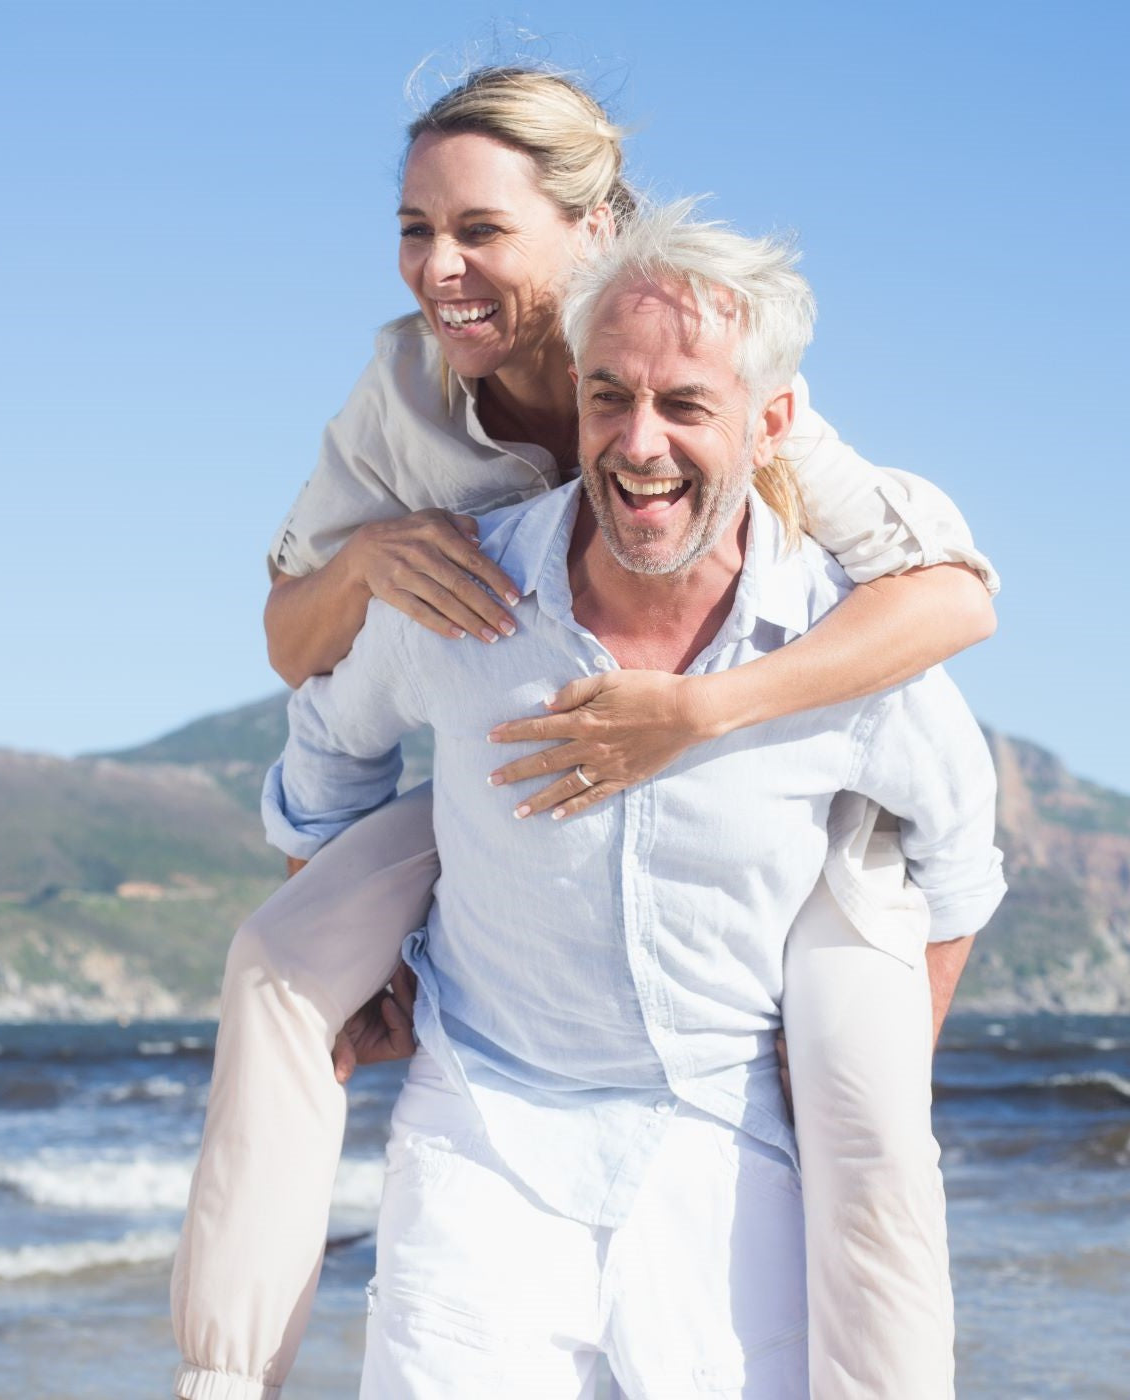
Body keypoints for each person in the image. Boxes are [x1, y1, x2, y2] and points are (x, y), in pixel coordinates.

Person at [172, 68, 1000, 1400]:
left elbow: (955, 613)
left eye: (480, 230)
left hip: (722, 1074)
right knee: (284, 967)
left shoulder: (741, 393)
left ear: (594, 229)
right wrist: (377, 564)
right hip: (496, 1058)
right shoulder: (407, 418)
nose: (440, 269)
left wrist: (700, 713)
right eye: (414, 229)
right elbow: (305, 682)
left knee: (872, 1110)